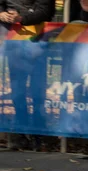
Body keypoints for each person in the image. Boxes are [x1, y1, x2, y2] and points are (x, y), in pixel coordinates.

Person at [0, 0, 55, 150]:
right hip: (14, 43)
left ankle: (39, 135)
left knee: (38, 91)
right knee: (18, 90)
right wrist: (2, 14)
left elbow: (46, 11)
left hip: (39, 42)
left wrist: (21, 18)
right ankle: (20, 133)